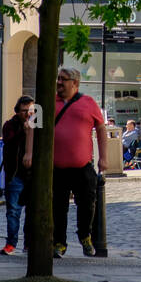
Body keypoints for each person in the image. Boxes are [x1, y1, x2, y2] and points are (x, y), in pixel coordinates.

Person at [44, 68, 108, 258]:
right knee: (58, 207)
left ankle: (85, 236)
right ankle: (59, 243)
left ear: (75, 83)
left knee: (88, 204)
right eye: (58, 78)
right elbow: (33, 127)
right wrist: (30, 153)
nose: (59, 82)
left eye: (64, 79)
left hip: (82, 166)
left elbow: (102, 129)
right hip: (57, 167)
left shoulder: (88, 102)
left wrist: (103, 157)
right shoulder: (47, 102)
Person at [0, 95, 34, 255]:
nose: (27, 114)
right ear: (17, 111)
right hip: (15, 173)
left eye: (31, 111)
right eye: (24, 111)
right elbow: (9, 141)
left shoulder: (36, 125)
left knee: (32, 211)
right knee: (13, 211)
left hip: (32, 175)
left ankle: (29, 243)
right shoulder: (10, 125)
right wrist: (25, 132)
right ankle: (11, 243)